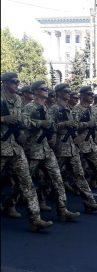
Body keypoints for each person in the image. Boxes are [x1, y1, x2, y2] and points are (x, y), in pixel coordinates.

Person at [1, 72, 53, 232]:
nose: (17, 84)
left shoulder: (17, 99)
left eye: (18, 82)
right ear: (4, 82)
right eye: (14, 82)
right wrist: (2, 119)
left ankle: (35, 219)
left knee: (27, 182)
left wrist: (32, 126)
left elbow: (22, 120)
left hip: (15, 146)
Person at [22, 80, 80, 221]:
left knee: (57, 179)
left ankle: (62, 209)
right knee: (25, 182)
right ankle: (11, 204)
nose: (46, 90)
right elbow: (23, 122)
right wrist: (41, 123)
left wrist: (54, 130)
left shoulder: (47, 108)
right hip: (33, 149)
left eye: (47, 88)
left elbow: (52, 125)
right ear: (35, 91)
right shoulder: (30, 107)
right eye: (43, 89)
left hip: (46, 149)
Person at [48, 83, 97, 213]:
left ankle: (89, 202)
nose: (68, 93)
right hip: (60, 146)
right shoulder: (54, 108)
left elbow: (75, 125)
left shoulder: (68, 108)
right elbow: (50, 127)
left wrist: (77, 133)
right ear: (59, 93)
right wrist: (65, 124)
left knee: (79, 175)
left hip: (72, 146)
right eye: (66, 91)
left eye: (69, 91)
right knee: (53, 177)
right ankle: (43, 198)